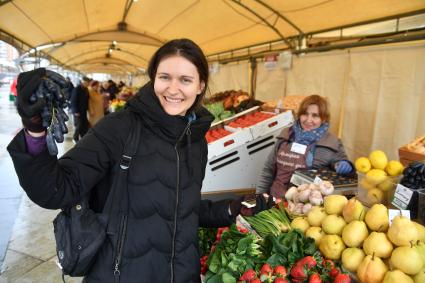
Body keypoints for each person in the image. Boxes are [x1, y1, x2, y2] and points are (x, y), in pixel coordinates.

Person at [8, 39, 273, 283]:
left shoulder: (196, 141)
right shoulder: (120, 128)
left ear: (201, 85)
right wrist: (34, 131)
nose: (173, 89)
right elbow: (57, 190)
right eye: (165, 77)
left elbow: (180, 209)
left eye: (185, 79)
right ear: (153, 79)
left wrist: (231, 209)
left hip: (181, 274)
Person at [256, 95, 353, 198]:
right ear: (299, 115)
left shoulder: (332, 141)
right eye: (305, 114)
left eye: (315, 116)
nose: (308, 120)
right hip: (276, 199)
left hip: (307, 205)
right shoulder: (287, 134)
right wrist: (260, 195)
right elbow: (268, 169)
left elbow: (343, 168)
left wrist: (346, 166)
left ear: (323, 119)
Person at [70, 76, 90, 142]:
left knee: (85, 124)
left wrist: (88, 109)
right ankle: (75, 138)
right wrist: (75, 111)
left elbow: (87, 100)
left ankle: (83, 137)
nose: (87, 84)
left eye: (88, 83)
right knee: (79, 125)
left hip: (83, 110)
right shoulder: (76, 89)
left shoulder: (86, 89)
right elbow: (73, 101)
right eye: (86, 83)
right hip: (77, 111)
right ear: (82, 82)